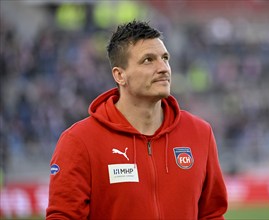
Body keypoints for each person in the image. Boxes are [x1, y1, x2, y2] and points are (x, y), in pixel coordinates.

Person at [46, 20, 228, 219]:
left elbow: (212, 214)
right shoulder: (79, 141)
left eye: (165, 58)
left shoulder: (200, 133)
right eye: (148, 60)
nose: (163, 68)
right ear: (120, 75)